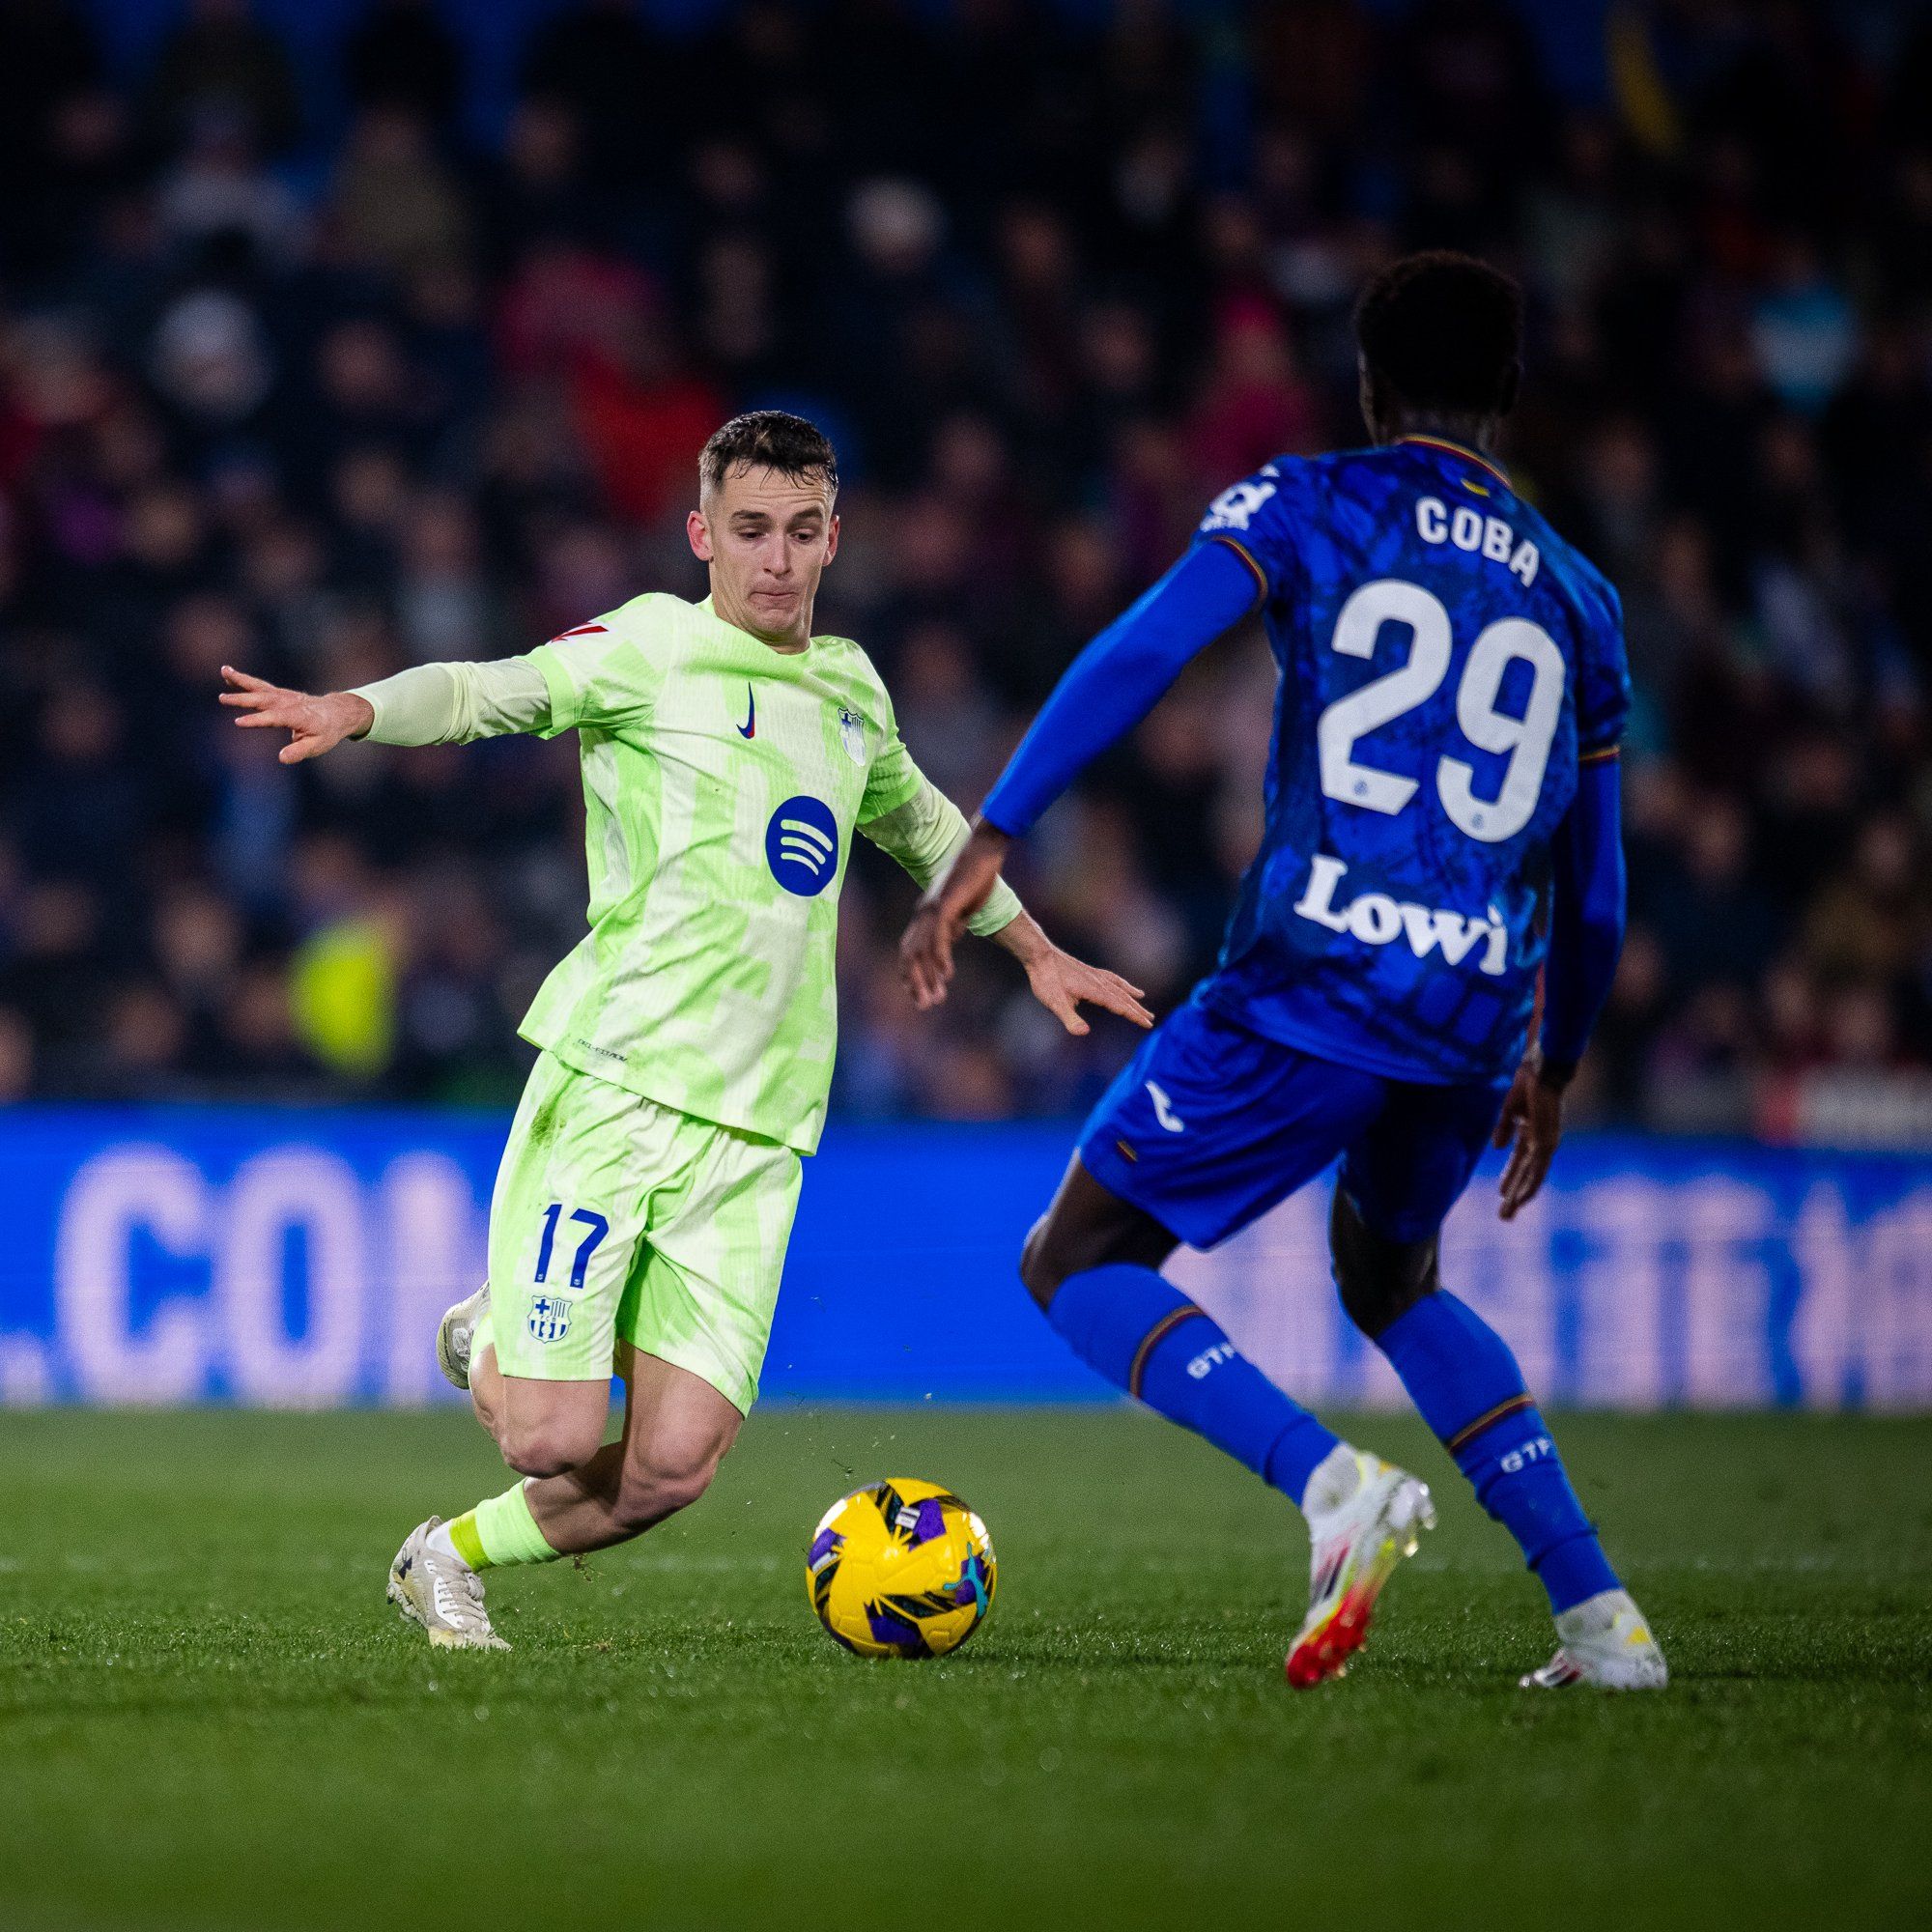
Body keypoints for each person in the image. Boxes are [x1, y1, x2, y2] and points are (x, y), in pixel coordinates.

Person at [220, 410, 1149, 1650]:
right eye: (751, 530)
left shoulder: (849, 687)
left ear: (834, 540)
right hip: (618, 1087)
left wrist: (1033, 948)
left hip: (761, 1131)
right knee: (548, 1432)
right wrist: (357, 706)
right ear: (702, 533)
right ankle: (492, 1325)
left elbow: (921, 824)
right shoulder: (653, 647)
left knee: (668, 1467)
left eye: (801, 532)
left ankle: (441, 1554)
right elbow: (495, 691)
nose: (775, 558)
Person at [902, 253, 1666, 1691]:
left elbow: (1142, 653)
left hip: (1316, 974)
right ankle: (1602, 1619)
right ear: (1508, 392)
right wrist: (1554, 1062)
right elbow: (1601, 883)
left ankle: (1331, 1489)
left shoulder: (1311, 503)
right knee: (1396, 1278)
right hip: (1474, 1011)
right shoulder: (1584, 598)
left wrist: (996, 829)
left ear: (1369, 384)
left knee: (1076, 1258)